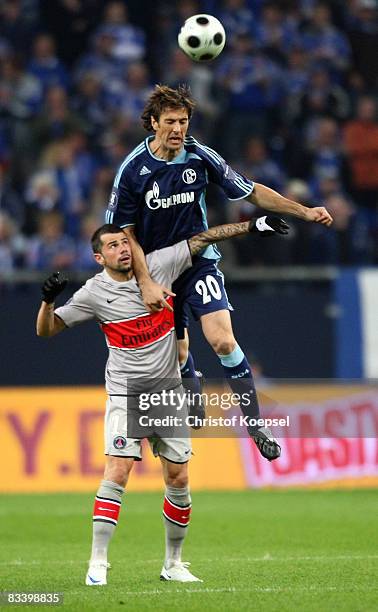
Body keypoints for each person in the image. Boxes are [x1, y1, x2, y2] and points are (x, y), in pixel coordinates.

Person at [36, 215, 289, 586]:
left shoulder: (159, 266)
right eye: (112, 246)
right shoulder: (94, 292)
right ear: (98, 258)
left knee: (178, 476)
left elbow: (202, 239)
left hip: (168, 393)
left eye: (124, 243)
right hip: (127, 393)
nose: (122, 249)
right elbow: (47, 330)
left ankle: (173, 564)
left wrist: (253, 226)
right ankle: (98, 563)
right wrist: (47, 300)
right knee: (119, 470)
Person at [105, 84, 333, 459]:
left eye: (183, 121)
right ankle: (191, 388)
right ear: (152, 123)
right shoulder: (133, 170)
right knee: (177, 355)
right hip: (158, 270)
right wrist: (143, 281)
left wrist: (304, 211)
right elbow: (122, 231)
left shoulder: (199, 156)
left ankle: (255, 423)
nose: (178, 129)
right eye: (170, 122)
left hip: (199, 262)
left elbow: (251, 191)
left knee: (223, 340)